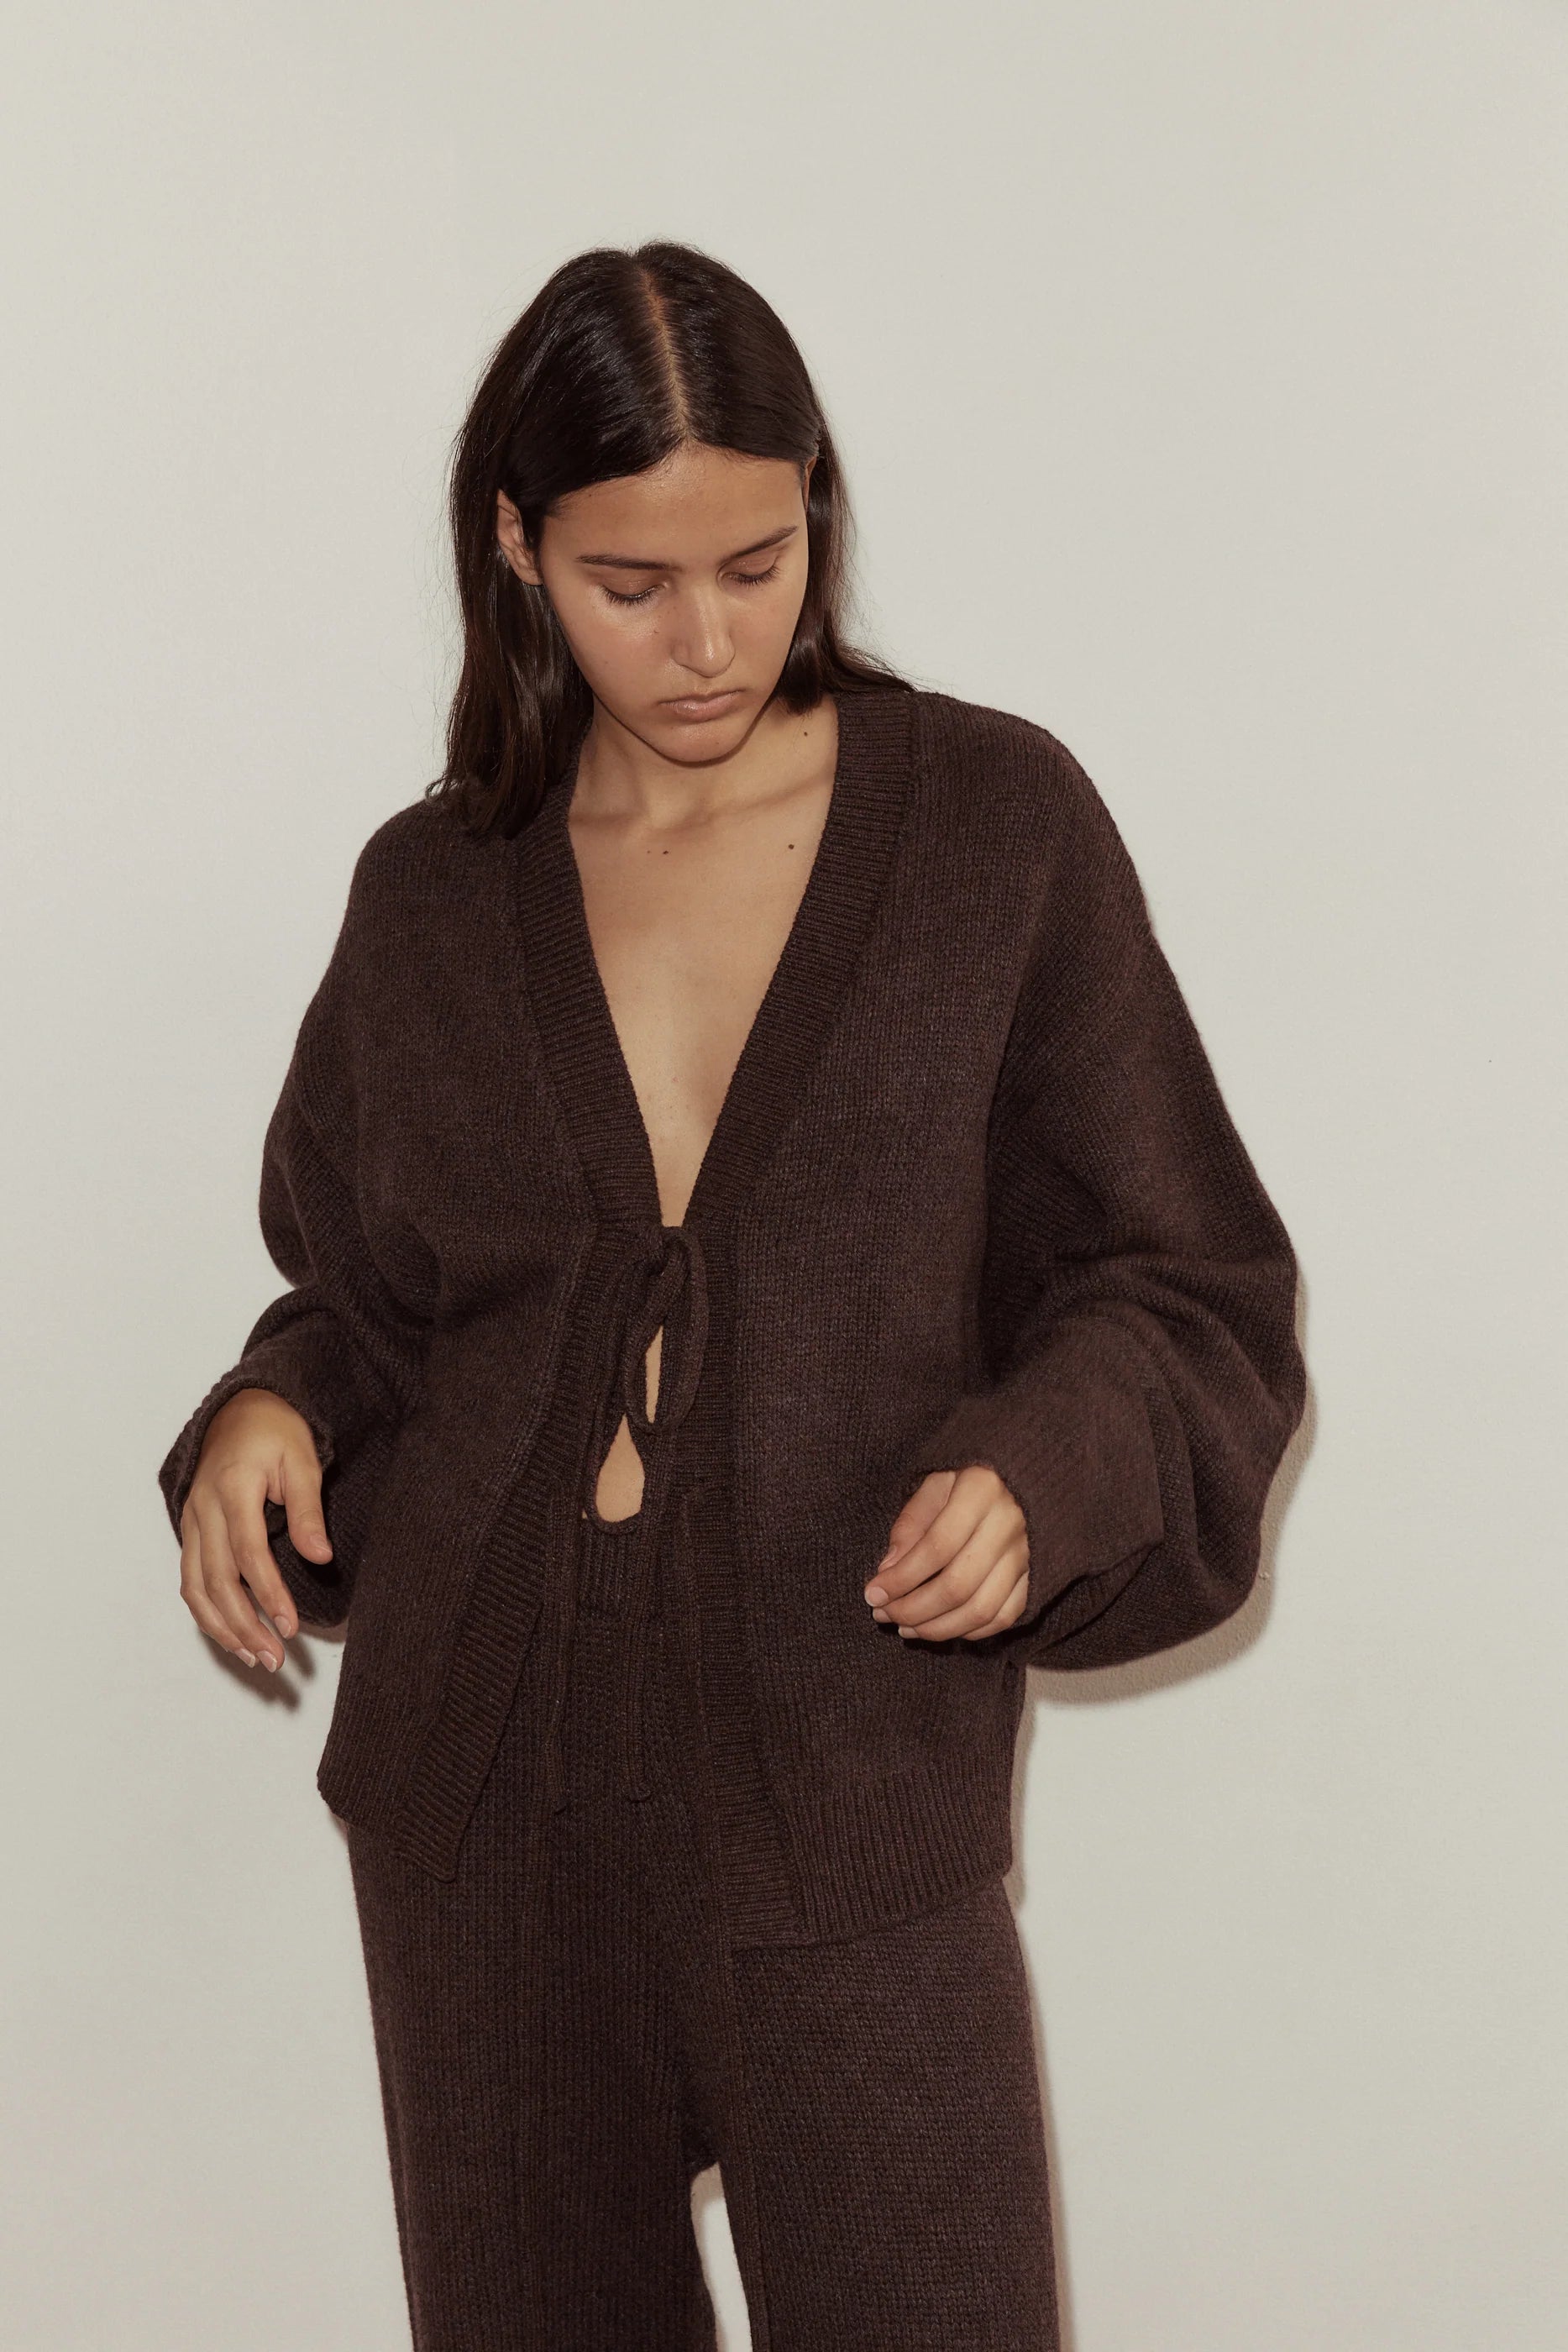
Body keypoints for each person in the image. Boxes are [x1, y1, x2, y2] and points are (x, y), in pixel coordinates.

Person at [157, 239, 1307, 2351]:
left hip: (844, 1784)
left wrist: (1044, 1463)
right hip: (482, 1825)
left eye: (758, 563)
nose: (707, 639)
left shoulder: (988, 827)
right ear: (517, 547)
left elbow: (1184, 1276)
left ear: (815, 516)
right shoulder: (434, 893)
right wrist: (271, 1408)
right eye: (631, 583)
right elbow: (369, 1300)